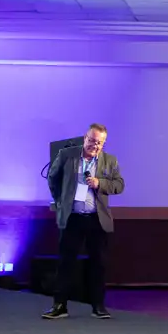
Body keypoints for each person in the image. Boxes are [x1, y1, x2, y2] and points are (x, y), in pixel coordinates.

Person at [43, 123, 124, 320]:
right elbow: (53, 178)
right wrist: (61, 201)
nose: (95, 146)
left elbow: (119, 185)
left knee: (98, 264)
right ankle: (60, 305)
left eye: (99, 143)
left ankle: (98, 306)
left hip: (97, 219)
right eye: (92, 141)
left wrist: (99, 183)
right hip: (73, 217)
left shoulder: (110, 160)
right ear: (85, 138)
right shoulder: (67, 155)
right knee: (66, 263)